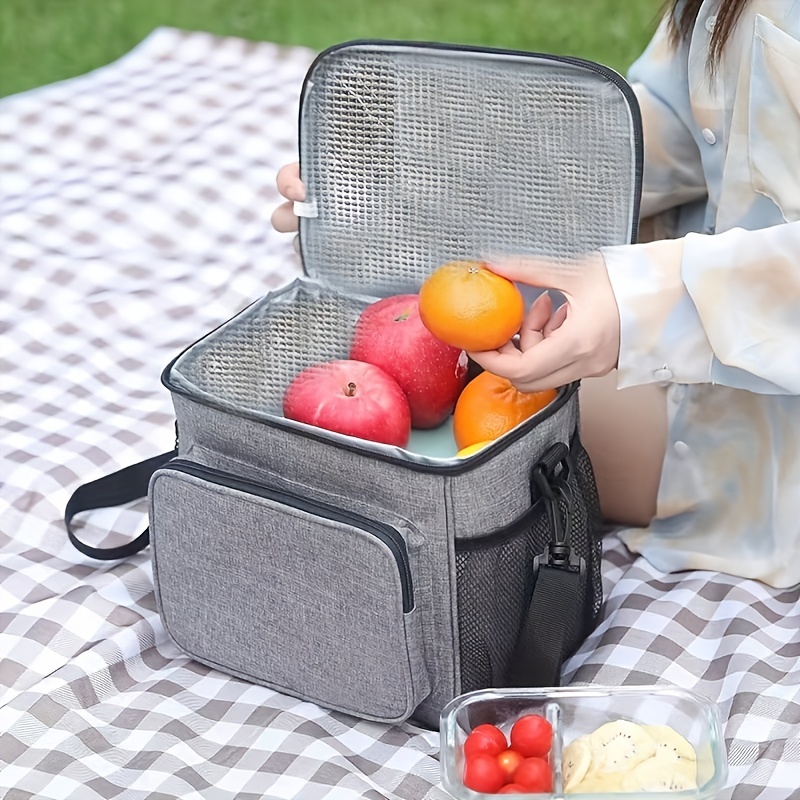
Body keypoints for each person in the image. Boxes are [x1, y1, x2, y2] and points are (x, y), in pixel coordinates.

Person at [272, 0, 800, 589]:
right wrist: (417, 188)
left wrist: (646, 302)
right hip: (701, 308)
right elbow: (684, 124)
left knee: (443, 465)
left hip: (769, 426)